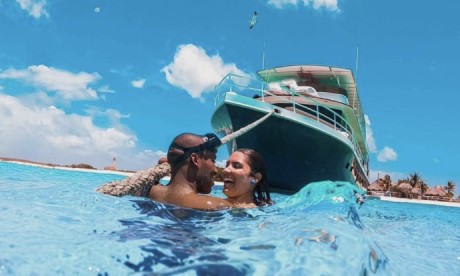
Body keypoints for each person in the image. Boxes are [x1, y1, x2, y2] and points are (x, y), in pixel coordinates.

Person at [146, 132, 236, 211]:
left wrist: (175, 161)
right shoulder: (214, 206)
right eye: (213, 161)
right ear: (195, 160)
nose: (216, 170)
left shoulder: (146, 190)